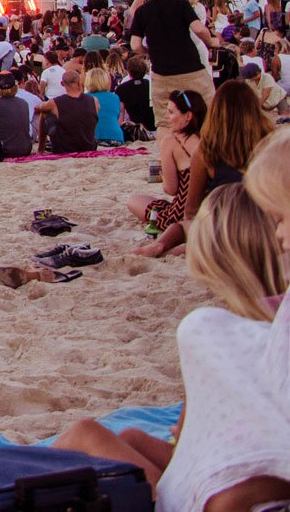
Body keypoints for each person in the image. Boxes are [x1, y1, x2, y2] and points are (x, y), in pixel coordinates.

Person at [52, 178, 290, 511]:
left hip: (205, 491)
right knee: (132, 438)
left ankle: (4, 491)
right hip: (223, 470)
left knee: (85, 432)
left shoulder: (216, 333)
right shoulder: (273, 320)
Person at [138, 79, 275, 258]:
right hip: (264, 226)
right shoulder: (272, 144)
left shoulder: (206, 151)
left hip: (224, 226)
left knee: (182, 225)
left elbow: (191, 209)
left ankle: (163, 245)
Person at [129, 0, 220, 129]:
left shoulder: (143, 11)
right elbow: (199, 29)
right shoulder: (183, 5)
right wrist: (211, 41)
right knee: (208, 110)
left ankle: (169, 153)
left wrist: (148, 53)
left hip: (162, 71)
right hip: (191, 67)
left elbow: (135, 44)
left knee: (164, 121)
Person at [127, 90, 206, 233]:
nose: (167, 116)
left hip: (181, 214)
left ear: (188, 116)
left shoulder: (171, 141)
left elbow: (171, 189)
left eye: (171, 112)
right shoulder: (208, 138)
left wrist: (163, 175)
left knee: (134, 200)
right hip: (210, 211)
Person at [34, 68, 98, 154]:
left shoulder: (54, 103)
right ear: (79, 83)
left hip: (64, 149)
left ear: (62, 84)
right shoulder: (94, 101)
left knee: (44, 112)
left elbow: (38, 108)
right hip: (89, 146)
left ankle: (41, 149)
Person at [84, 67, 126, 145]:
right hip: (116, 137)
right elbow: (116, 118)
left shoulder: (84, 98)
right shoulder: (114, 97)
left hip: (93, 138)